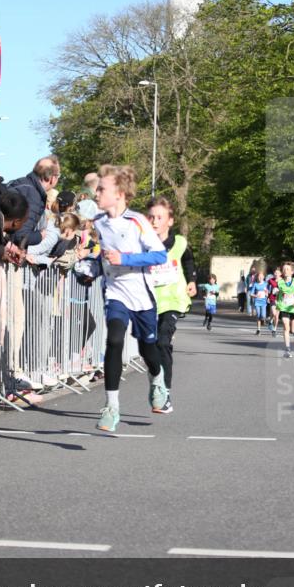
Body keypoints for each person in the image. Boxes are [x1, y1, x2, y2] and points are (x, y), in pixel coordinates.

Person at [90, 165, 167, 433]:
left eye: (102, 189)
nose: (96, 193)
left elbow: (160, 256)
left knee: (148, 350)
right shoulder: (98, 223)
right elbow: (96, 257)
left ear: (120, 194)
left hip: (142, 295)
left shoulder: (137, 221)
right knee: (114, 339)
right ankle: (111, 407)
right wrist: (88, 270)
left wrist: (126, 259)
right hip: (115, 292)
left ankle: (157, 379)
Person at [145, 196, 197, 414]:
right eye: (151, 217)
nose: (155, 221)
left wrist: (192, 280)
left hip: (173, 299)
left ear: (170, 221)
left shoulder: (180, 243)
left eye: (159, 217)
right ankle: (156, 384)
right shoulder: (142, 243)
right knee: (151, 346)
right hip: (148, 300)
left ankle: (165, 392)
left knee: (164, 341)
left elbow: (189, 260)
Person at [7, 157, 60, 248]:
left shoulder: (21, 183)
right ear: (52, 178)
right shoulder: (33, 196)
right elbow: (20, 236)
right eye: (58, 176)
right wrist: (40, 236)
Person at [276, 261, 294, 358]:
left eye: (287, 269)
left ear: (292, 272)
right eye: (284, 269)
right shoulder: (279, 282)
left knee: (292, 330)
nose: (285, 271)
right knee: (286, 326)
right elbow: (277, 293)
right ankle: (287, 349)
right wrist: (274, 294)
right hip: (284, 307)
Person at [267, 266, 281, 336]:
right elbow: (267, 289)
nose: (276, 274)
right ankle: (270, 321)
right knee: (274, 313)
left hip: (280, 299)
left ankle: (274, 329)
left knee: (277, 316)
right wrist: (268, 296)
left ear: (280, 273)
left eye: (277, 273)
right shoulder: (270, 280)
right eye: (275, 273)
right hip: (272, 298)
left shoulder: (283, 281)